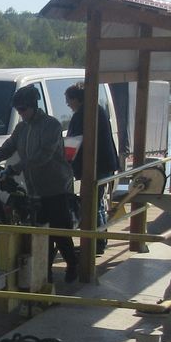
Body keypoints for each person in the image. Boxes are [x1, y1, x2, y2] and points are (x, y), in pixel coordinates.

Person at [0, 85, 79, 282]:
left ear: (33, 105)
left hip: (55, 187)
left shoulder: (51, 125)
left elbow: (43, 155)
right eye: (18, 110)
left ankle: (72, 264)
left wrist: (14, 168)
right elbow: (7, 148)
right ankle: (44, 274)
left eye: (23, 109)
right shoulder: (22, 128)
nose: (21, 113)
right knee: (39, 233)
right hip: (34, 188)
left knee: (59, 231)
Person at [64, 83, 119, 252]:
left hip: (95, 166)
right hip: (106, 163)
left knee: (92, 204)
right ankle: (99, 241)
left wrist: (65, 161)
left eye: (68, 100)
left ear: (76, 99)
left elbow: (73, 142)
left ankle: (96, 243)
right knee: (98, 203)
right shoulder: (97, 109)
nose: (67, 104)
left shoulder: (82, 115)